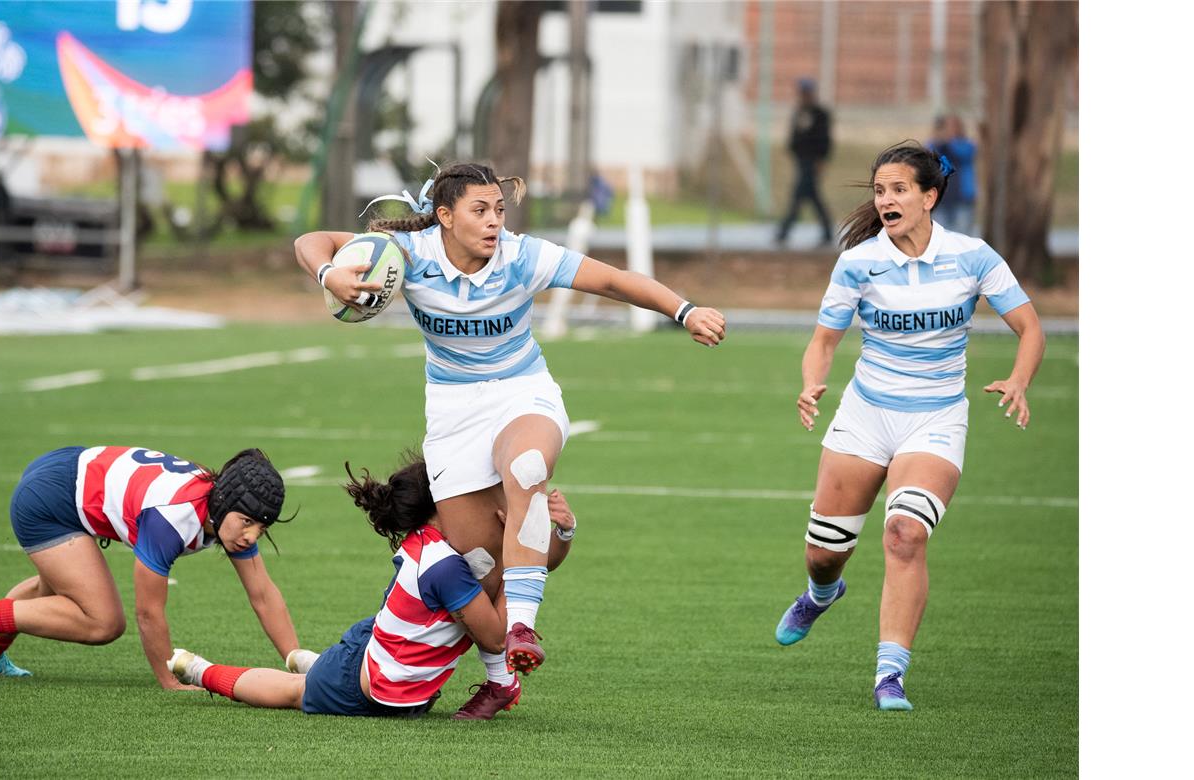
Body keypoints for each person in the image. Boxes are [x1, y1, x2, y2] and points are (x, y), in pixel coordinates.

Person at [293, 161, 724, 711]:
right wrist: (329, 274)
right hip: (453, 413)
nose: (495, 221)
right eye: (479, 210)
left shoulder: (521, 257)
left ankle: (521, 627)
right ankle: (502, 681)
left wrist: (684, 310)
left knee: (527, 468)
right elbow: (310, 241)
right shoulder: (413, 253)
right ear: (445, 216)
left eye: (499, 209)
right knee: (477, 560)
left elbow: (613, 280)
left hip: (523, 392)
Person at [777, 141, 1045, 711]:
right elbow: (823, 341)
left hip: (936, 419)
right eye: (880, 191)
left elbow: (1030, 328)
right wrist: (810, 383)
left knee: (905, 534)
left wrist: (1019, 380)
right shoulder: (858, 262)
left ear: (930, 197)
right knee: (823, 554)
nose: (886, 200)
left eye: (899, 189)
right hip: (865, 415)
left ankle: (889, 676)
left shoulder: (973, 257)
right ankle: (821, 593)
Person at [168, 454, 580, 720]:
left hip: (387, 641)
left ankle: (310, 660)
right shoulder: (444, 566)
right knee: (295, 692)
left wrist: (561, 531)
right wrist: (512, 550)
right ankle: (201, 670)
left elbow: (535, 567)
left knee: (342, 655)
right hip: (367, 677)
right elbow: (495, 638)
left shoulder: (450, 545)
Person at [0, 446, 312, 689]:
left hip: (66, 469)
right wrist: (170, 680)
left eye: (261, 527)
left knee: (54, 588)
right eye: (247, 522)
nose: (252, 535)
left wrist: (295, 661)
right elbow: (148, 612)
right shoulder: (173, 519)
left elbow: (263, 594)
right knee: (103, 621)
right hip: (51, 500)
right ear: (225, 502)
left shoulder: (225, 512)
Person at [776, 77, 834, 249]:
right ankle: (827, 230)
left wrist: (821, 160)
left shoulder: (820, 114)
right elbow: (795, 136)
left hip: (812, 161)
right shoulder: (799, 112)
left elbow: (824, 139)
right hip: (801, 160)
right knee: (811, 196)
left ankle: (784, 230)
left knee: (798, 195)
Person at [926, 114, 978, 234]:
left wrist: (949, 140)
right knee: (940, 236)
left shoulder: (967, 145)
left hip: (962, 199)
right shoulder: (936, 145)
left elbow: (963, 153)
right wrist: (938, 138)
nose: (949, 130)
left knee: (963, 237)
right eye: (946, 127)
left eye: (953, 126)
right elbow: (929, 153)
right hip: (941, 199)